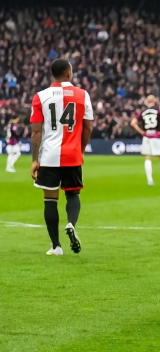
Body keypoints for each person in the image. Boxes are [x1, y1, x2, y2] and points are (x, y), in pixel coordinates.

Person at [30, 59, 94, 256]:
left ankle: (56, 246)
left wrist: (34, 159)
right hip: (72, 155)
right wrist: (80, 149)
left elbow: (35, 131)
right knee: (73, 194)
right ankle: (71, 224)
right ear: (68, 73)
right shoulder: (83, 95)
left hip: (49, 156)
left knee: (50, 200)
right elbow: (88, 127)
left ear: (53, 74)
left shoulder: (40, 96)